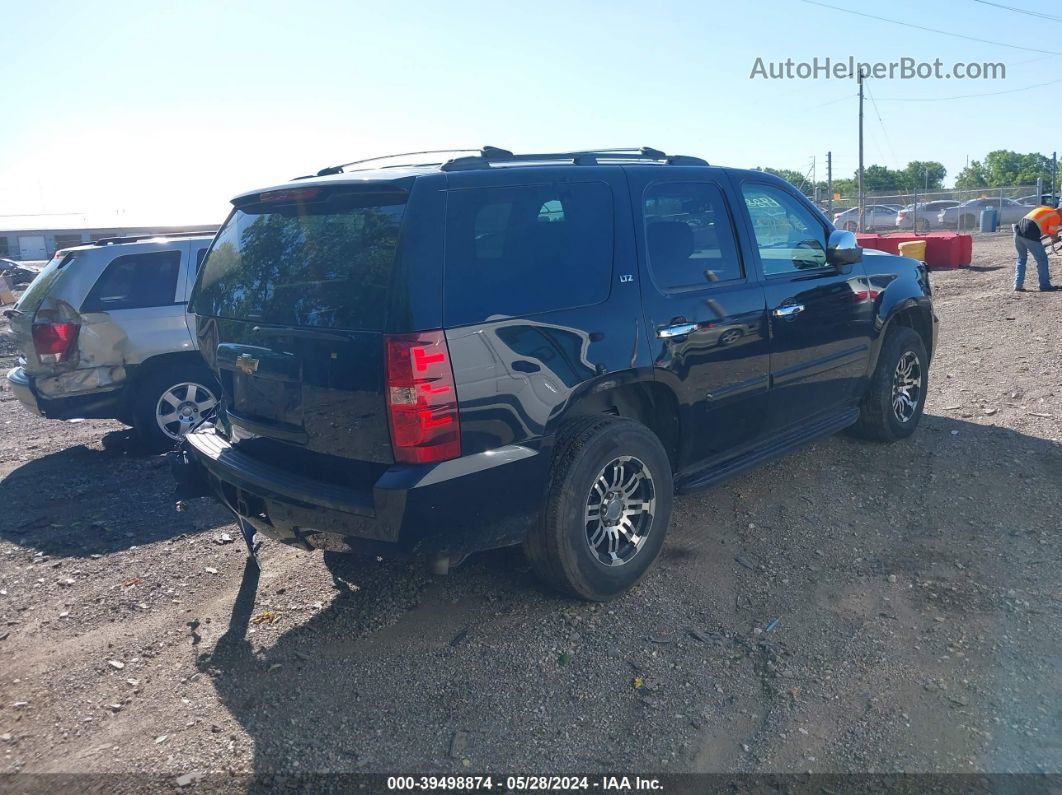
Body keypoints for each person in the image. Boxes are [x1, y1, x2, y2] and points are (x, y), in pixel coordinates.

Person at [1013, 204, 1061, 292]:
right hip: (1030, 234)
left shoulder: (1045, 210)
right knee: (1042, 259)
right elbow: (1053, 236)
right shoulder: (1055, 216)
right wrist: (1057, 238)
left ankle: (1018, 285)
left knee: (1022, 258)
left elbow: (1043, 227)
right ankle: (1044, 285)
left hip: (1017, 232)